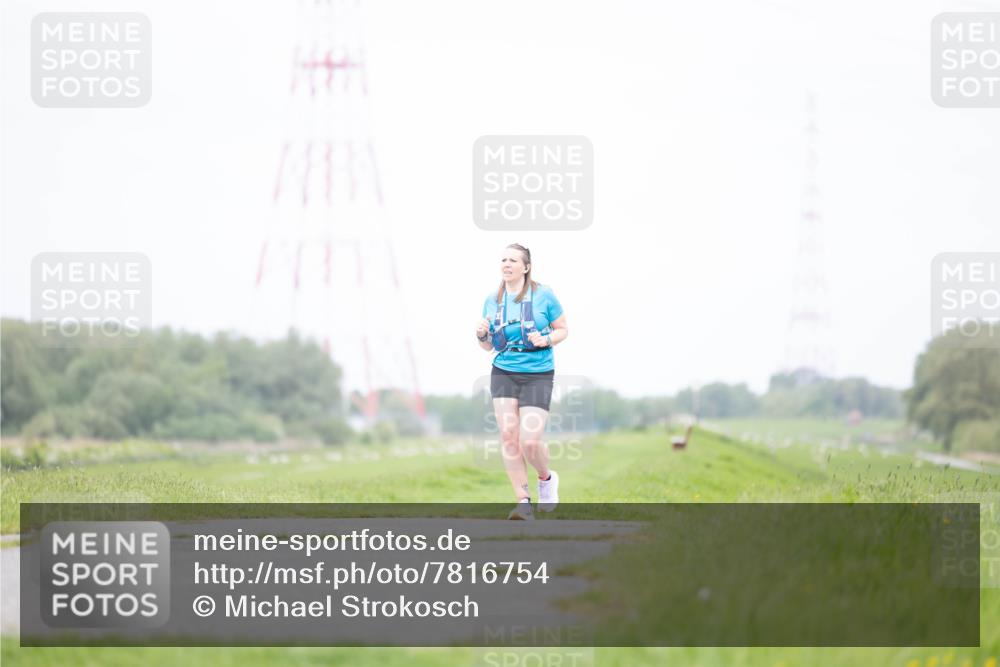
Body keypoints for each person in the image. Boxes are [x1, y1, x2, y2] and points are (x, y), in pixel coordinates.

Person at [475, 243, 569, 520]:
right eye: (503, 259)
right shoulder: (492, 300)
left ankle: (547, 479)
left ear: (526, 267)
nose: (507, 264)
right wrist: (481, 335)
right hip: (504, 369)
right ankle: (523, 502)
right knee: (508, 436)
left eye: (513, 260)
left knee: (529, 441)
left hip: (538, 371)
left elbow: (563, 329)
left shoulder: (544, 295)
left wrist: (547, 338)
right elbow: (488, 346)